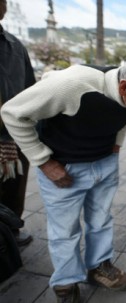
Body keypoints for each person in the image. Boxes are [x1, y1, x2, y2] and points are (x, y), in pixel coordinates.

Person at [1, 51, 126, 302]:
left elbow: (125, 117)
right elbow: (12, 113)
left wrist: (116, 146)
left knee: (102, 220)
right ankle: (66, 283)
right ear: (125, 87)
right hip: (63, 169)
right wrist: (43, 161)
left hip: (104, 163)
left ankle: (99, 266)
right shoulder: (72, 86)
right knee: (65, 229)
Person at [0, 0, 36, 247]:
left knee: (15, 184)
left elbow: (31, 89)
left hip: (14, 131)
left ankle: (11, 229)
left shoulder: (15, 46)